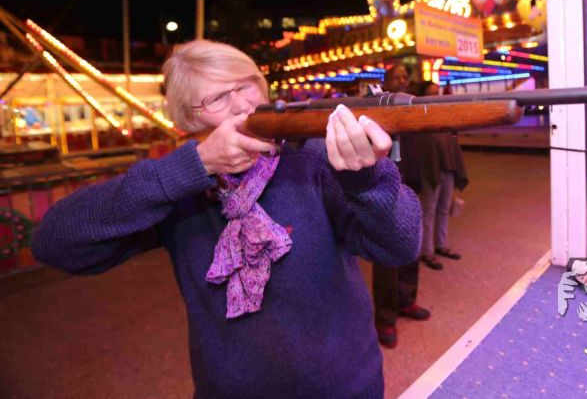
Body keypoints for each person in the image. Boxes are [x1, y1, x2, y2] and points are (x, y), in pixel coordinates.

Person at [31, 40, 422, 398]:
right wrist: (193, 167)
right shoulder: (177, 189)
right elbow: (55, 242)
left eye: (246, 85)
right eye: (217, 97)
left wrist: (366, 180)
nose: (241, 105)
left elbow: (401, 245)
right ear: (188, 120)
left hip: (346, 387)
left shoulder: (311, 158)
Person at [372, 64, 431, 348]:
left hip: (412, 186)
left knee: (411, 249)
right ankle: (385, 318)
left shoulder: (413, 108)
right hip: (386, 192)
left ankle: (407, 300)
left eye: (405, 77)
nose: (402, 81)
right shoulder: (378, 113)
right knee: (386, 256)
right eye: (396, 77)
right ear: (386, 82)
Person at [413, 82, 469, 271]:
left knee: (443, 209)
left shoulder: (443, 114)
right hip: (430, 170)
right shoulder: (419, 117)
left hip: (447, 168)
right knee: (428, 211)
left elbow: (452, 140)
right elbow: (421, 148)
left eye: (437, 92)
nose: (436, 96)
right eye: (431, 93)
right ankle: (427, 251)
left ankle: (440, 244)